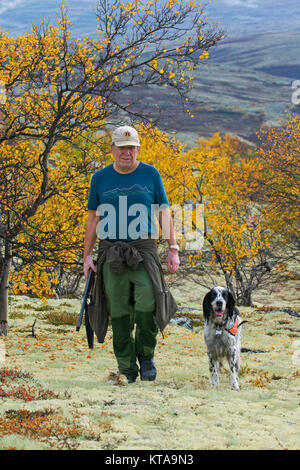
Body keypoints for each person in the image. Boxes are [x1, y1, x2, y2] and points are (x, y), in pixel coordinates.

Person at [83, 125, 180, 383]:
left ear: (138, 148)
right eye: (122, 147)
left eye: (131, 147)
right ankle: (126, 367)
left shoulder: (151, 174)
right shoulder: (100, 179)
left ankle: (146, 355)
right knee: (118, 311)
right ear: (112, 149)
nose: (127, 152)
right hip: (110, 252)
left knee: (150, 302)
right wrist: (87, 256)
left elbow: (164, 212)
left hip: (144, 250)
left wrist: (173, 248)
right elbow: (93, 219)